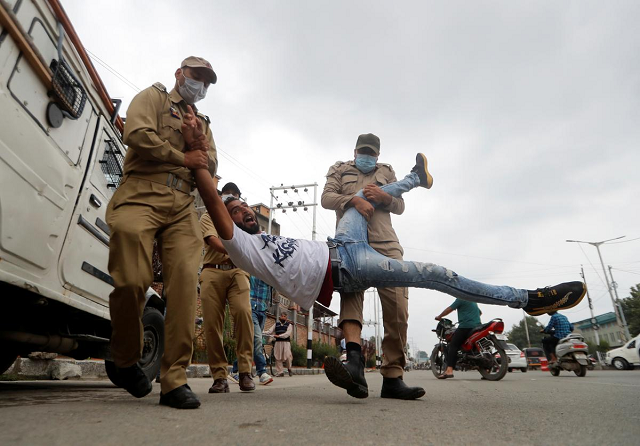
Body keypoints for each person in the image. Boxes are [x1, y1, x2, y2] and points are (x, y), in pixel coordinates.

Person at [189, 151, 587, 399]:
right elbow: (215, 208)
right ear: (230, 221)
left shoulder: (258, 231)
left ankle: (417, 178)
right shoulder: (240, 245)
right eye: (237, 210)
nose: (244, 212)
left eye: (244, 206)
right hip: (348, 266)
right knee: (436, 273)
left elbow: (342, 200)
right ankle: (530, 299)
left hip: (339, 243)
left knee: (358, 200)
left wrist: (366, 195)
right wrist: (200, 164)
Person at [106, 56, 217, 409]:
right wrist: (181, 155)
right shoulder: (154, 98)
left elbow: (210, 164)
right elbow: (135, 134)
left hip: (184, 205)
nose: (200, 85)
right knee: (131, 280)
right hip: (141, 192)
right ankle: (125, 359)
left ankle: (174, 380)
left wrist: (196, 142)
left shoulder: (202, 122)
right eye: (196, 76)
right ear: (179, 74)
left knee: (185, 283)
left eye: (206, 81)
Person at [321, 133, 420, 400]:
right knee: (351, 301)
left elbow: (399, 206)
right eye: (362, 151)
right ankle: (355, 366)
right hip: (351, 242)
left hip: (385, 242)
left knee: (397, 307)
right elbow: (327, 198)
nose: (367, 156)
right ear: (354, 151)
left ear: (377, 155)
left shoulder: (387, 171)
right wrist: (353, 199)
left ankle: (393, 378)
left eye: (371, 153)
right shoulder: (339, 169)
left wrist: (385, 198)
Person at [200, 183, 255, 393]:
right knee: (212, 323)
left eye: (236, 198)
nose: (230, 199)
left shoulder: (243, 218)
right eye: (226, 196)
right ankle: (219, 377)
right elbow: (214, 240)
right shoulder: (209, 215)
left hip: (238, 271)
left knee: (243, 312)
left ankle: (245, 372)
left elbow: (256, 239)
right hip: (212, 270)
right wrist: (237, 250)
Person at [229, 275, 275, 386]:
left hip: (263, 311)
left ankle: (234, 370)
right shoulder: (253, 269)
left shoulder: (271, 274)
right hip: (251, 308)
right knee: (258, 340)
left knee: (250, 344)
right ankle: (262, 373)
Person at [434, 299, 482, 379]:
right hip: (477, 326)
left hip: (465, 326)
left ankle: (449, 370)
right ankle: (486, 369)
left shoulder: (461, 298)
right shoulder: (473, 300)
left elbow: (449, 309)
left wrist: (439, 316)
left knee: (453, 345)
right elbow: (480, 313)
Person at [264, 311, 294, 377]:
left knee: (288, 356)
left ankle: (289, 368)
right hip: (278, 343)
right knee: (277, 356)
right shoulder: (276, 324)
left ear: (286, 318)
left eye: (284, 316)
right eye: (281, 316)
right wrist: (262, 332)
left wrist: (279, 336)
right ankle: (280, 372)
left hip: (286, 343)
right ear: (280, 317)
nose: (282, 317)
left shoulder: (289, 325)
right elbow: (269, 331)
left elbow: (287, 334)